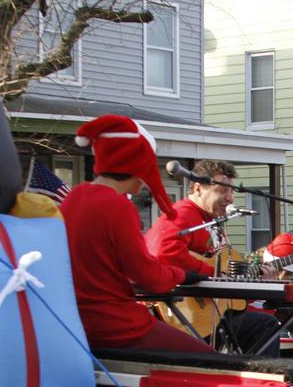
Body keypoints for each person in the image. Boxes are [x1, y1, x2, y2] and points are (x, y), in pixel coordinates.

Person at [61, 115, 211, 353]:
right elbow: (146, 275)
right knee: (207, 359)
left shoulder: (73, 198)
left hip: (75, 323)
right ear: (137, 163)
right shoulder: (118, 206)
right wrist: (181, 275)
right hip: (116, 327)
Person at [145, 160, 288, 356]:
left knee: (265, 325)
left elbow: (222, 276)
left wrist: (255, 285)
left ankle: (252, 380)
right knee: (265, 326)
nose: (230, 198)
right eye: (222, 191)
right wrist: (210, 273)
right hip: (184, 314)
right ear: (198, 188)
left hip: (211, 313)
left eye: (231, 192)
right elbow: (163, 251)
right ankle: (261, 383)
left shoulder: (212, 220)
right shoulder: (183, 215)